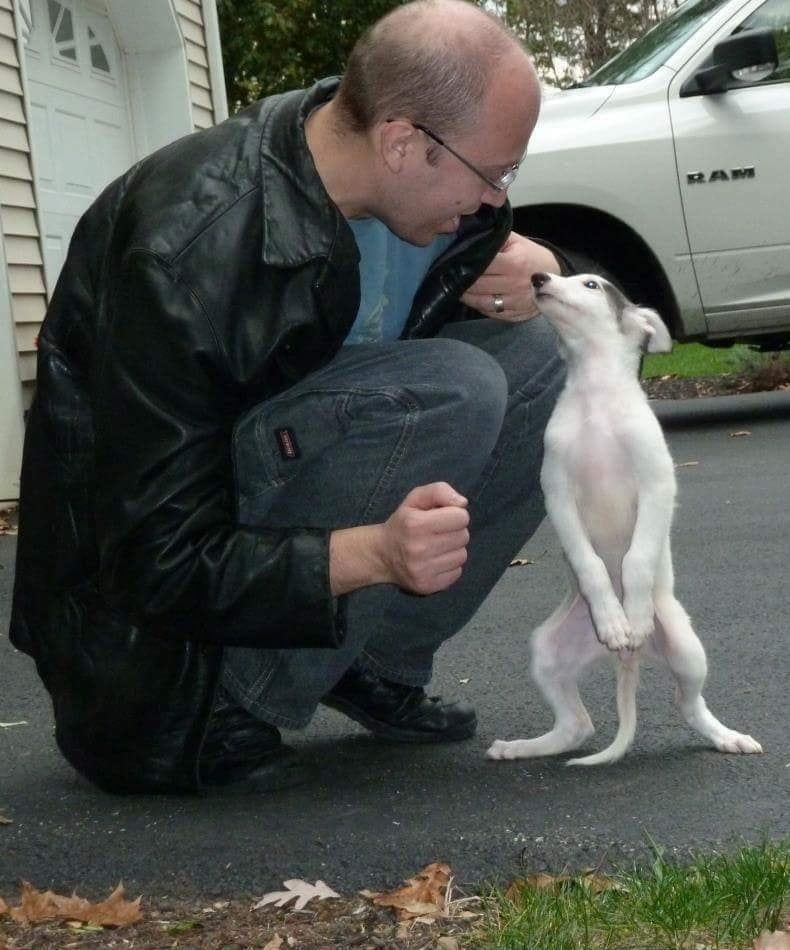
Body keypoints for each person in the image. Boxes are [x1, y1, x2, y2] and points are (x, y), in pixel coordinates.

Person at [10, 0, 577, 794]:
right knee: (453, 388)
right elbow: (152, 561)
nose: (495, 202)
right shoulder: (183, 249)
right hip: (158, 665)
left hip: (268, 511)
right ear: (404, 142)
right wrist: (374, 555)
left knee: (547, 359)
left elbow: (534, 305)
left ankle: (367, 659)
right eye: (495, 174)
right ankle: (242, 701)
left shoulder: (410, 185)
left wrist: (547, 272)